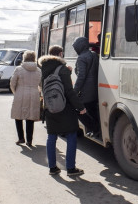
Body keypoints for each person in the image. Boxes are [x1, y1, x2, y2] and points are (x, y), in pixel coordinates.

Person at [38, 45, 86, 177]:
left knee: (51, 137)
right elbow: (69, 91)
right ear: (60, 54)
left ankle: (52, 168)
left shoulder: (42, 69)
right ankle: (70, 168)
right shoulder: (63, 69)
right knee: (71, 136)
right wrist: (80, 107)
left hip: (50, 108)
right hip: (65, 108)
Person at [10, 51, 42, 147]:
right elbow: (41, 84)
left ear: (24, 58)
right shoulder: (38, 70)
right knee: (30, 118)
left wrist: (15, 92)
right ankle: (29, 140)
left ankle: (21, 138)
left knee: (18, 116)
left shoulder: (19, 69)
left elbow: (12, 83)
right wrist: (39, 93)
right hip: (34, 94)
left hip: (20, 93)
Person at [72, 37, 100, 137]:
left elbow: (81, 77)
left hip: (86, 91)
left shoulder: (81, 58)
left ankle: (94, 128)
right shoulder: (94, 55)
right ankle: (96, 130)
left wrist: (74, 92)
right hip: (96, 89)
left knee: (78, 110)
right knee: (92, 110)